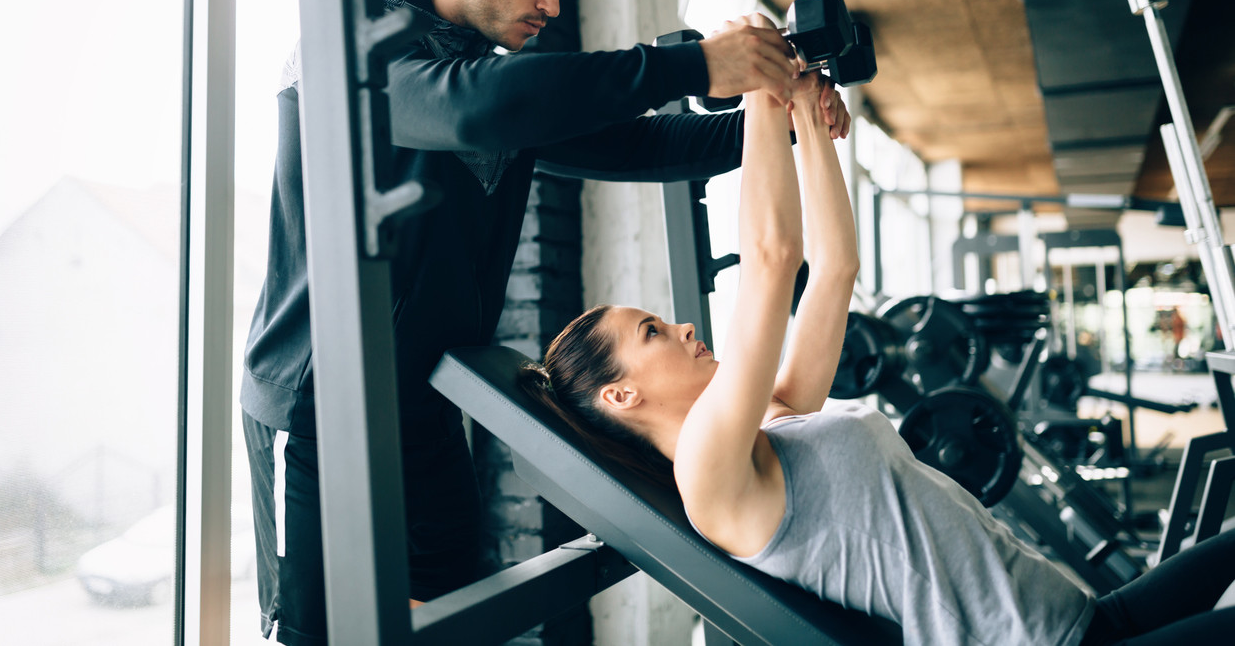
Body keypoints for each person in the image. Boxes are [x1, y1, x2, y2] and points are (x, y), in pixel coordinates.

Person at [241, 0, 847, 646]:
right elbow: (470, 111)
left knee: (457, 622)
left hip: (419, 407)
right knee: (318, 637)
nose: (552, 5)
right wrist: (694, 66)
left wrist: (786, 117)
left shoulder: (479, 76)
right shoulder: (358, 46)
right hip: (316, 408)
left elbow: (638, 142)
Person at [528, 68, 1235, 645]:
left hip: (1081, 617)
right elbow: (773, 262)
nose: (682, 327)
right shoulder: (708, 475)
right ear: (620, 395)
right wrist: (757, 94)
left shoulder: (771, 417)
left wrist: (805, 112)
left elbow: (835, 268)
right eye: (651, 331)